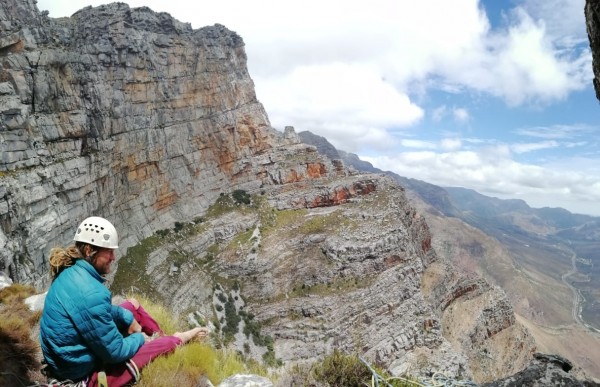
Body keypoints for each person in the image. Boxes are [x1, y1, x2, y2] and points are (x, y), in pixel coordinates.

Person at [39, 216, 209, 386]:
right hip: (79, 374)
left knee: (132, 305)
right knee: (147, 345)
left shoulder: (71, 272)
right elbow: (115, 352)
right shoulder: (90, 292)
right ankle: (176, 339)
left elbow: (94, 310)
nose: (113, 257)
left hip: (69, 359)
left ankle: (161, 338)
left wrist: (127, 317)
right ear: (90, 250)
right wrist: (140, 338)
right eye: (109, 251)